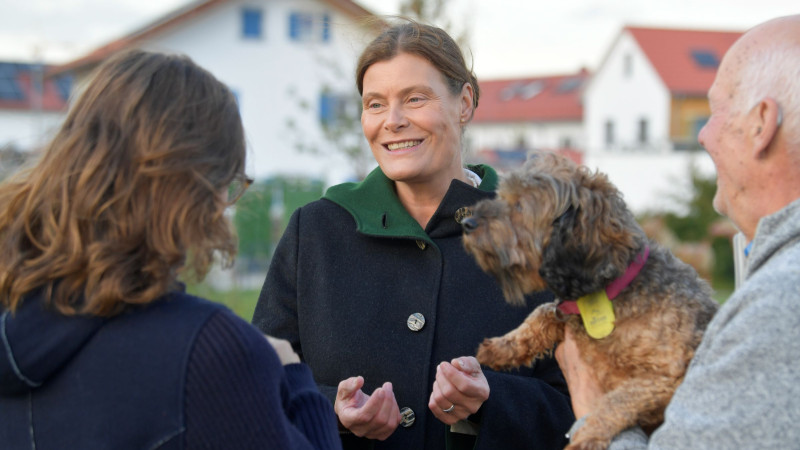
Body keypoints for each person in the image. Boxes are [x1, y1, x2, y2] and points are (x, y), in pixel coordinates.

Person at [252, 20, 573, 450]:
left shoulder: (541, 235)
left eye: (415, 99)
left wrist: (493, 400)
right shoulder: (314, 232)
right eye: (376, 104)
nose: (393, 121)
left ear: (465, 102)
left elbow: (585, 405)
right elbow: (258, 382)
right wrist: (332, 409)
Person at [0, 49, 342, 450]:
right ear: (198, 188)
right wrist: (295, 379)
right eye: (228, 185)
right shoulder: (210, 350)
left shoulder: (12, 314)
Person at [555, 14, 800, 448]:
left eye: (716, 110)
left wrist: (595, 412)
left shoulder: (782, 306)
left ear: (761, 124)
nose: (703, 135)